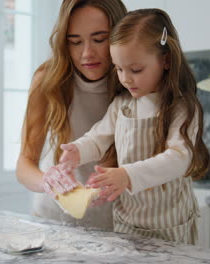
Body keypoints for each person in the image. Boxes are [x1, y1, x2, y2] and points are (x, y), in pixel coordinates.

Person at [58, 8, 210, 244]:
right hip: (127, 224)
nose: (125, 78)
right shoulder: (122, 105)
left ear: (166, 60)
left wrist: (128, 175)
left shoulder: (181, 108)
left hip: (170, 226)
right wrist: (78, 151)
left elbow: (178, 158)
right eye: (118, 69)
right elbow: (98, 137)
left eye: (135, 69)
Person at [16, 0, 127, 231]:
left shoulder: (133, 82)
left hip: (113, 224)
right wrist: (47, 181)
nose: (87, 53)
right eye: (74, 42)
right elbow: (25, 163)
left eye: (99, 39)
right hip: (51, 219)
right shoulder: (48, 79)